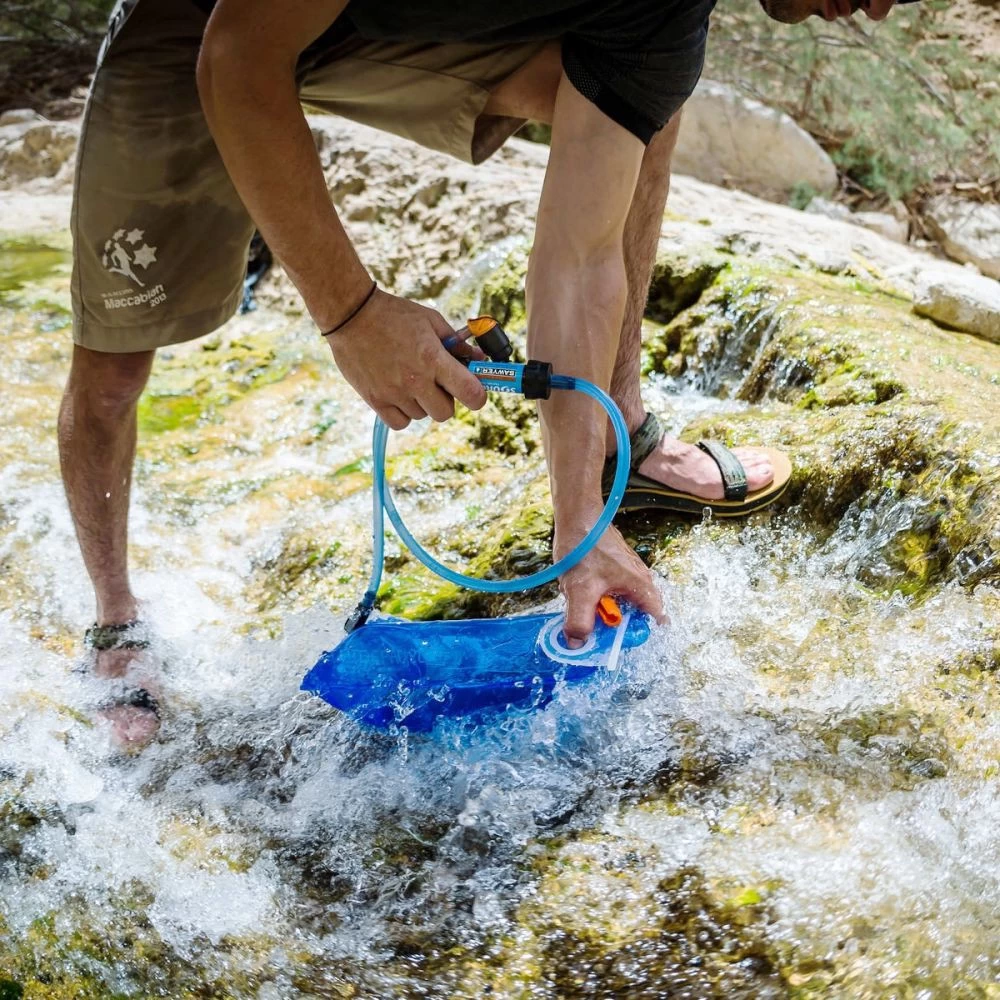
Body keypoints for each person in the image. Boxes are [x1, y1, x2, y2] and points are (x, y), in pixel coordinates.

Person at [60, 0, 906, 745]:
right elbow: (238, 54)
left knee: (642, 108)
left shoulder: (665, 17)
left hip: (417, 28)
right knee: (109, 372)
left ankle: (618, 452)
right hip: (217, 24)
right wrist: (353, 314)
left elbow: (579, 260)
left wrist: (579, 521)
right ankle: (115, 621)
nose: (879, 8)